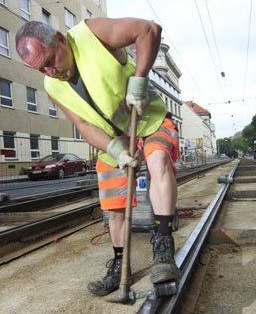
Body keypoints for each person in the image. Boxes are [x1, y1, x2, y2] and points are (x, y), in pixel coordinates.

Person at [15, 18, 180, 296]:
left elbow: (149, 30)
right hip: (114, 139)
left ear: (60, 38)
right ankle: (120, 264)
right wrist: (116, 151)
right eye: (41, 68)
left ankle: (163, 247)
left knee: (158, 160)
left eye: (51, 60)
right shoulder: (52, 86)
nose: (51, 71)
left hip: (149, 120)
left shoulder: (91, 34)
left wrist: (139, 79)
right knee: (113, 204)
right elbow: (83, 125)